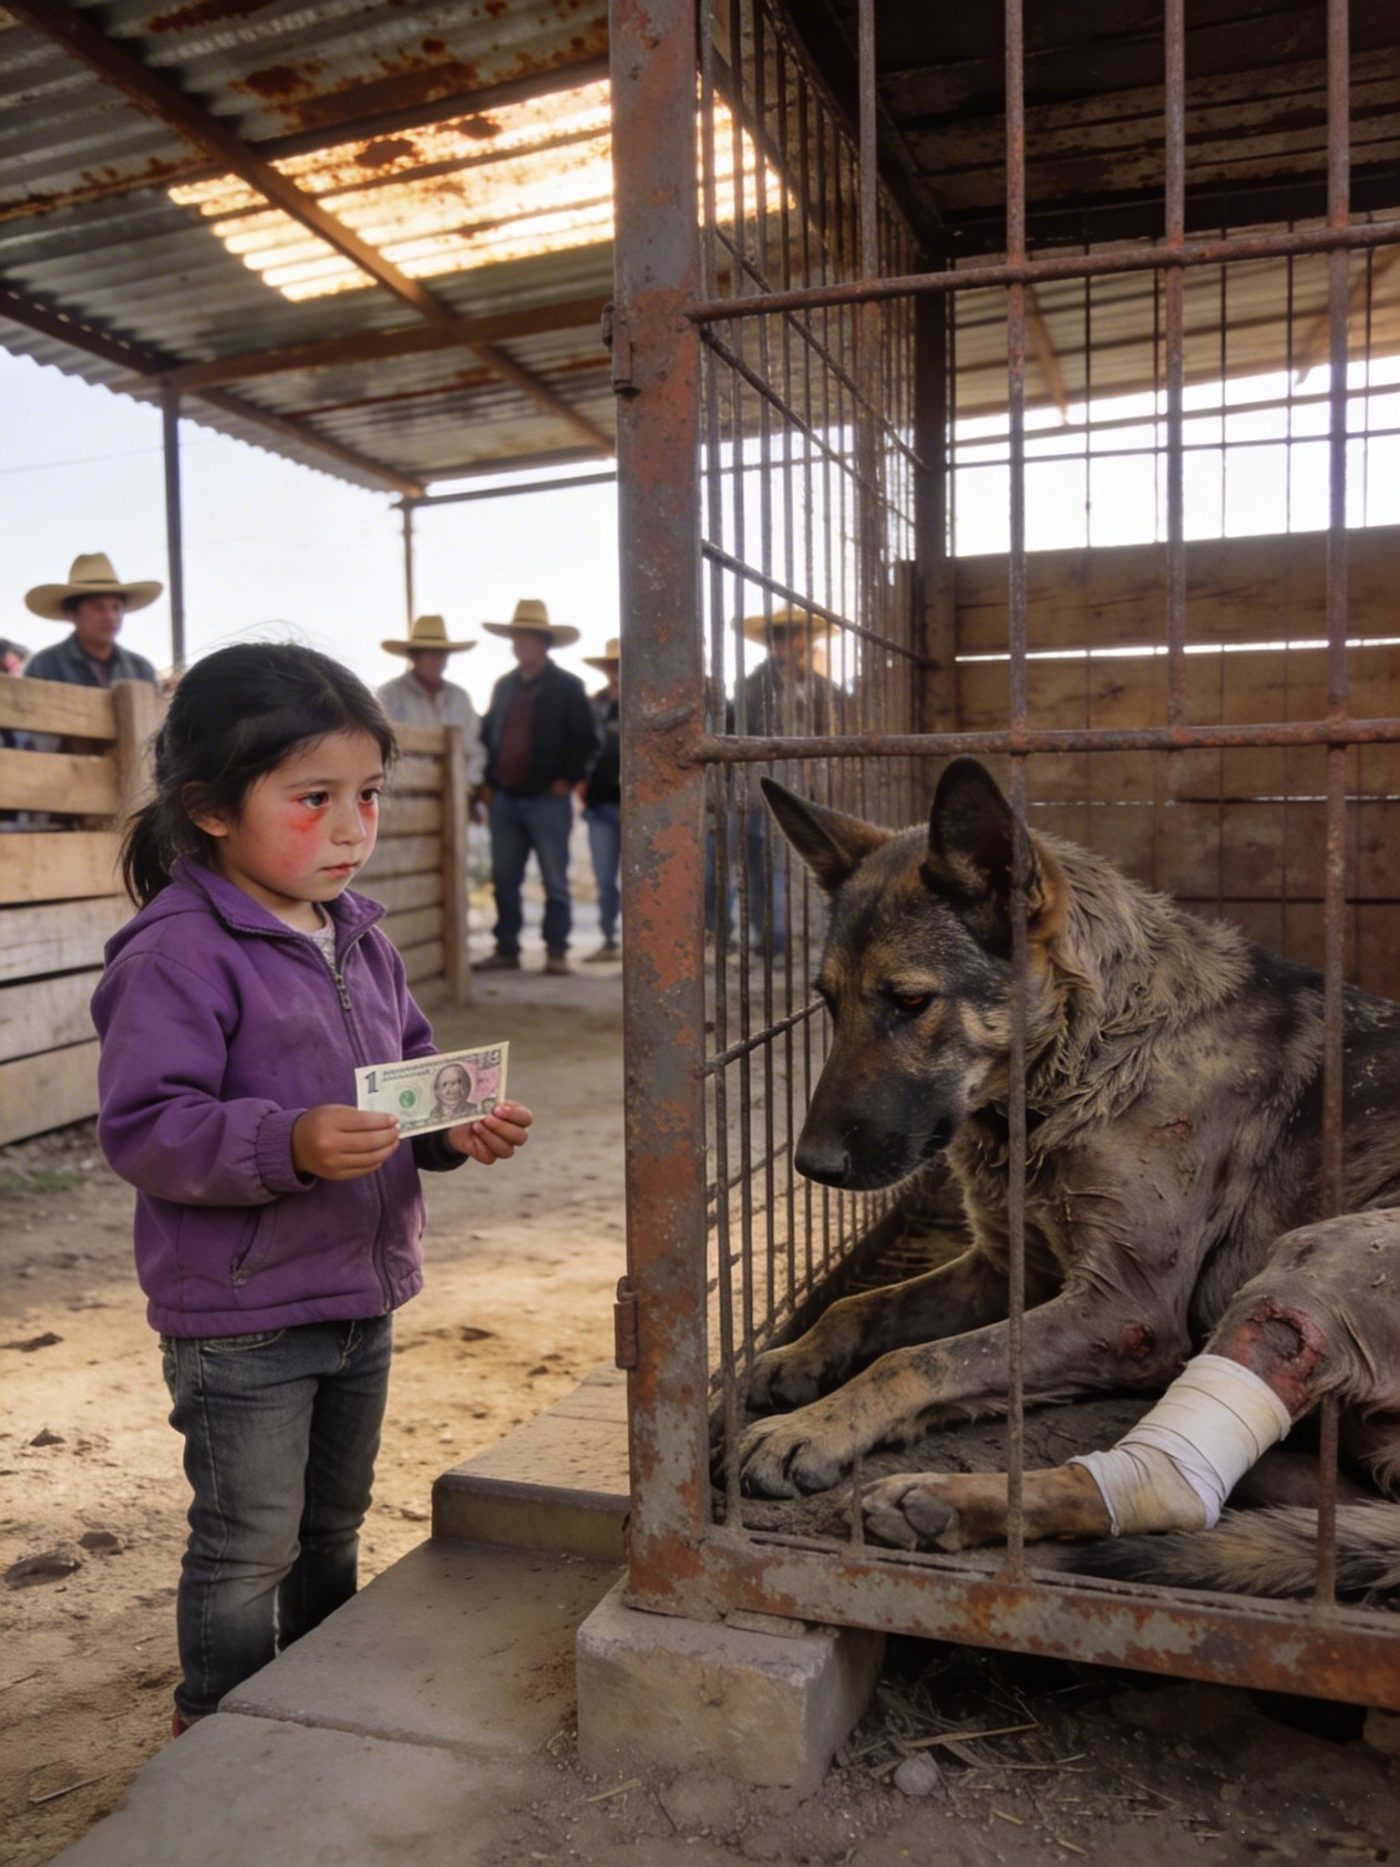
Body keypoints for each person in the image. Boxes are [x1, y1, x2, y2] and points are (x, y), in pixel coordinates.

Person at [89, 643, 534, 1737]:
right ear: (209, 809)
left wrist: (449, 1127)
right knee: (247, 1542)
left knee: (333, 1523)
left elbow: (403, 1075)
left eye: (369, 796)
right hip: (240, 1320)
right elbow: (147, 1126)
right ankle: (221, 1726)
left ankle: (322, 1703)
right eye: (314, 798)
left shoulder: (357, 935)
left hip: (357, 1295)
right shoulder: (176, 954)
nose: (351, 827)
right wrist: (284, 1141)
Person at [476, 599, 597, 977]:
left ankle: (556, 951)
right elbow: (487, 736)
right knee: (505, 878)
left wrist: (567, 779)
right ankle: (506, 948)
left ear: (543, 643)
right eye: (516, 638)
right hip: (506, 797)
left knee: (555, 879)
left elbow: (587, 741)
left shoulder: (568, 687)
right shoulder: (504, 687)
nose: (519, 645)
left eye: (526, 639)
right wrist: (487, 783)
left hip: (548, 798)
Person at [730, 605, 840, 956]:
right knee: (762, 868)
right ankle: (772, 939)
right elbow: (741, 738)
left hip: (808, 791)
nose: (789, 642)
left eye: (795, 633)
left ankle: (792, 938)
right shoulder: (751, 687)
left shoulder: (824, 689)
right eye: (780, 635)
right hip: (760, 788)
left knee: (799, 867)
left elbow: (832, 740)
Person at [376, 613, 486, 792]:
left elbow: (474, 750)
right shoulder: (390, 696)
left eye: (441, 655)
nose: (437, 661)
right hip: (405, 797)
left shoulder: (460, 698)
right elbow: (382, 751)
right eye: (430, 654)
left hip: (455, 795)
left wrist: (468, 784)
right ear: (414, 657)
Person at [23, 551, 161, 689]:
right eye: (98, 607)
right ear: (72, 613)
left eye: (116, 607)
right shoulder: (43, 667)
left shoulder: (142, 671)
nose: (110, 616)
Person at [580, 636, 621, 963]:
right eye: (612, 666)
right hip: (600, 805)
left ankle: (639, 944)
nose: (617, 672)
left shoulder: (649, 704)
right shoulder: (594, 705)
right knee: (605, 879)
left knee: (642, 881)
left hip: (639, 808)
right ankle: (609, 940)